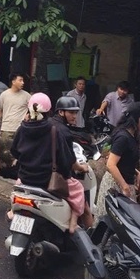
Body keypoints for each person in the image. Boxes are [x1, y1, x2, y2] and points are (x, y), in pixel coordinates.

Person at [11, 93, 79, 230]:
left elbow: (14, 151)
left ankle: (12, 212)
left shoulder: (22, 128)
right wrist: (66, 175)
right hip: (46, 181)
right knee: (78, 191)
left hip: (25, 178)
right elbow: (65, 159)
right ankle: (73, 223)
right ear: (49, 111)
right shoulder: (54, 130)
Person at [96, 101, 140, 217]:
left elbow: (125, 160)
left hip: (125, 183)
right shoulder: (123, 137)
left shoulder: (132, 135)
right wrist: (124, 186)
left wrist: (136, 173)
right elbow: (111, 164)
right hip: (115, 185)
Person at [54, 95, 94, 230]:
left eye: (76, 113)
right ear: (61, 112)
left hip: (36, 173)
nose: (74, 116)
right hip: (58, 177)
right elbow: (70, 161)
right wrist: (82, 168)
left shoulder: (45, 125)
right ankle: (90, 241)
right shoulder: (64, 132)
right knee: (83, 202)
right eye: (71, 112)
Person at [0, 72, 31, 174]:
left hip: (20, 129)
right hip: (6, 127)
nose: (23, 83)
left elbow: (33, 110)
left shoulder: (27, 96)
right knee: (6, 150)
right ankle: (5, 170)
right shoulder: (4, 95)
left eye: (23, 81)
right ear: (13, 81)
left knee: (20, 151)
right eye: (20, 80)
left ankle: (17, 170)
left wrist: (28, 116)